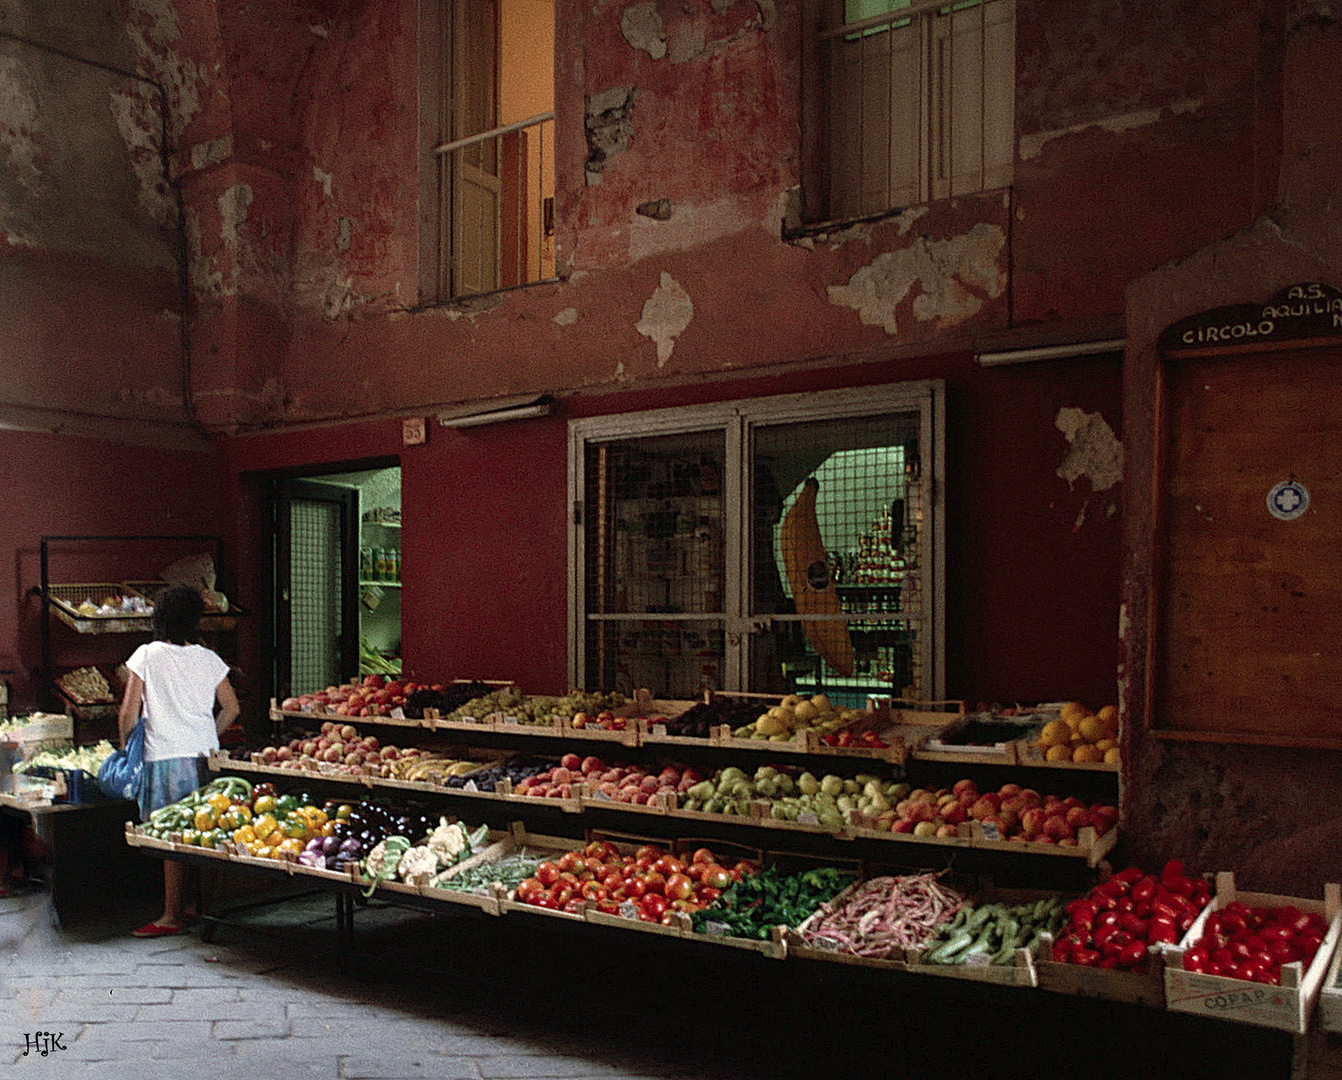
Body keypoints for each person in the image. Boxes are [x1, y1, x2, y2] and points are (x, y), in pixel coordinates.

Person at [118, 584, 239, 937]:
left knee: (171, 836)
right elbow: (232, 707)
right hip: (204, 754)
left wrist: (125, 747)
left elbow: (129, 711)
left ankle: (171, 915)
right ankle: (200, 906)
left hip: (166, 754)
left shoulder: (147, 655)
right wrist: (208, 734)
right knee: (205, 829)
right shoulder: (209, 658)